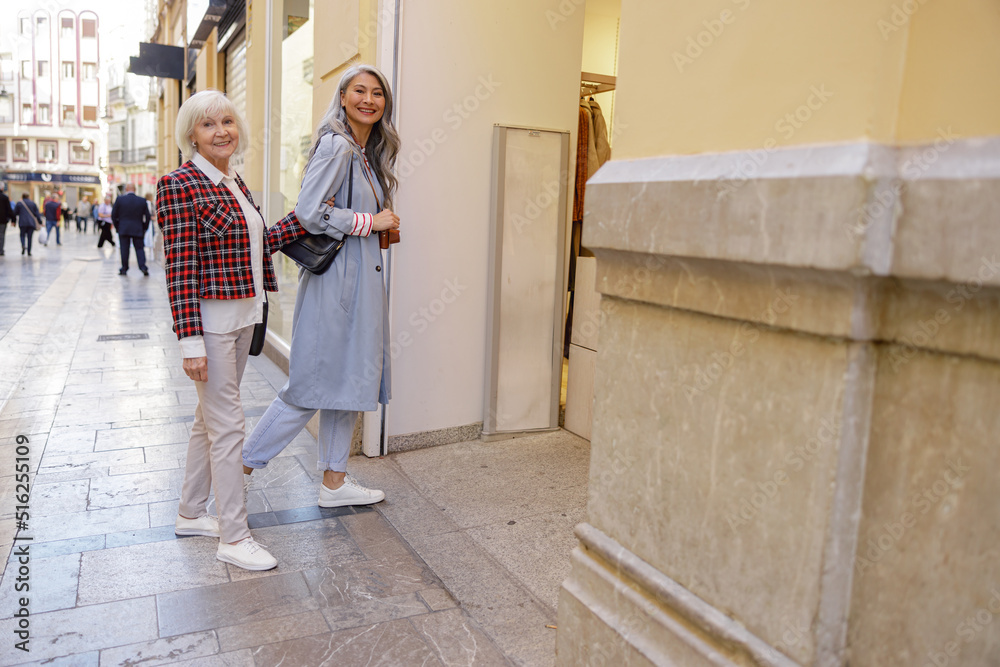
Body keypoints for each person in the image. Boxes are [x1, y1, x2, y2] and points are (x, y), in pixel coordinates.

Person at [158, 89, 305, 571]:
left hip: (245, 319)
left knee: (209, 421)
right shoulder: (179, 184)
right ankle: (233, 536)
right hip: (214, 327)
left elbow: (257, 248)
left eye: (227, 121)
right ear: (191, 135)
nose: (221, 131)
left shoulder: (233, 181)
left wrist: (303, 219)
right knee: (228, 426)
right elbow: (180, 269)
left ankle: (190, 512)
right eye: (208, 125)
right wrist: (190, 342)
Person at [242, 64, 401, 510]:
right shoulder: (337, 145)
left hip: (355, 287)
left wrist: (373, 223)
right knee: (309, 387)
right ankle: (238, 471)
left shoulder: (361, 151)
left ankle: (334, 481)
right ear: (344, 96)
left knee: (346, 382)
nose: (369, 100)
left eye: (377, 94)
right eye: (359, 91)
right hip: (337, 289)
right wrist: (370, 221)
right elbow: (309, 212)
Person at [112, 184, 151, 276]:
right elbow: (148, 217)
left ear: (126, 189)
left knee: (124, 249)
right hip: (138, 228)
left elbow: (114, 215)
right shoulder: (141, 200)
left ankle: (124, 268)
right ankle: (143, 267)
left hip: (123, 228)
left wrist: (118, 227)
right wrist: (144, 227)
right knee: (139, 248)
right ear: (135, 189)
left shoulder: (120, 199)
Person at [0, 185, 13, 256]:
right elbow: (9, 210)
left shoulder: (5, 197)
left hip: (3, 220)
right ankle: (1, 250)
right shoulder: (5, 197)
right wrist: (13, 219)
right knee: (1, 235)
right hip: (2, 220)